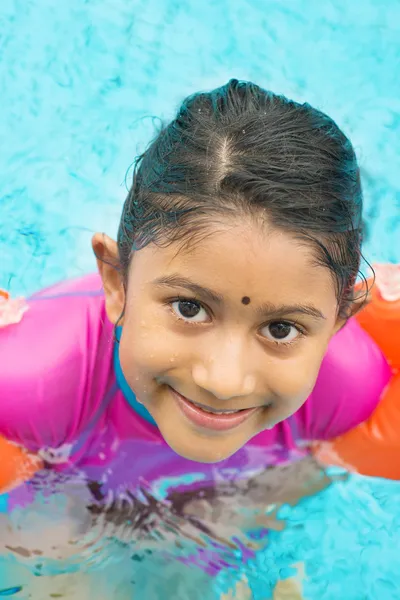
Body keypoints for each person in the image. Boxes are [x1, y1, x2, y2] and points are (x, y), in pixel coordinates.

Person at [0, 78, 390, 480]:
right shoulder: (32, 387)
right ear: (117, 283)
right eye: (189, 308)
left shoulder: (348, 394)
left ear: (339, 322)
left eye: (280, 329)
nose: (224, 381)